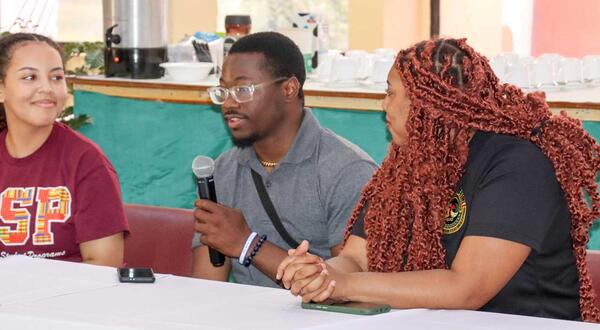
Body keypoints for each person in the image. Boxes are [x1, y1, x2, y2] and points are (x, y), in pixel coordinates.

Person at [276, 38, 600, 322]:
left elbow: (467, 288)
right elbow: (357, 258)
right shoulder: (405, 165)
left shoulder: (518, 165)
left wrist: (345, 285)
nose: (383, 105)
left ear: (428, 103)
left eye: (390, 93)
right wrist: (322, 274)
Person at [191, 32, 377, 287]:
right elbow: (206, 289)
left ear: (289, 89)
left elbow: (349, 286)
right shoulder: (223, 170)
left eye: (243, 89)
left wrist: (247, 244)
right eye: (223, 91)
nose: (229, 104)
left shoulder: (347, 170)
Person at [0, 33, 128, 267]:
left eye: (56, 77)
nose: (47, 88)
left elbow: (103, 266)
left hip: (67, 300)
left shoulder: (87, 161)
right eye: (30, 77)